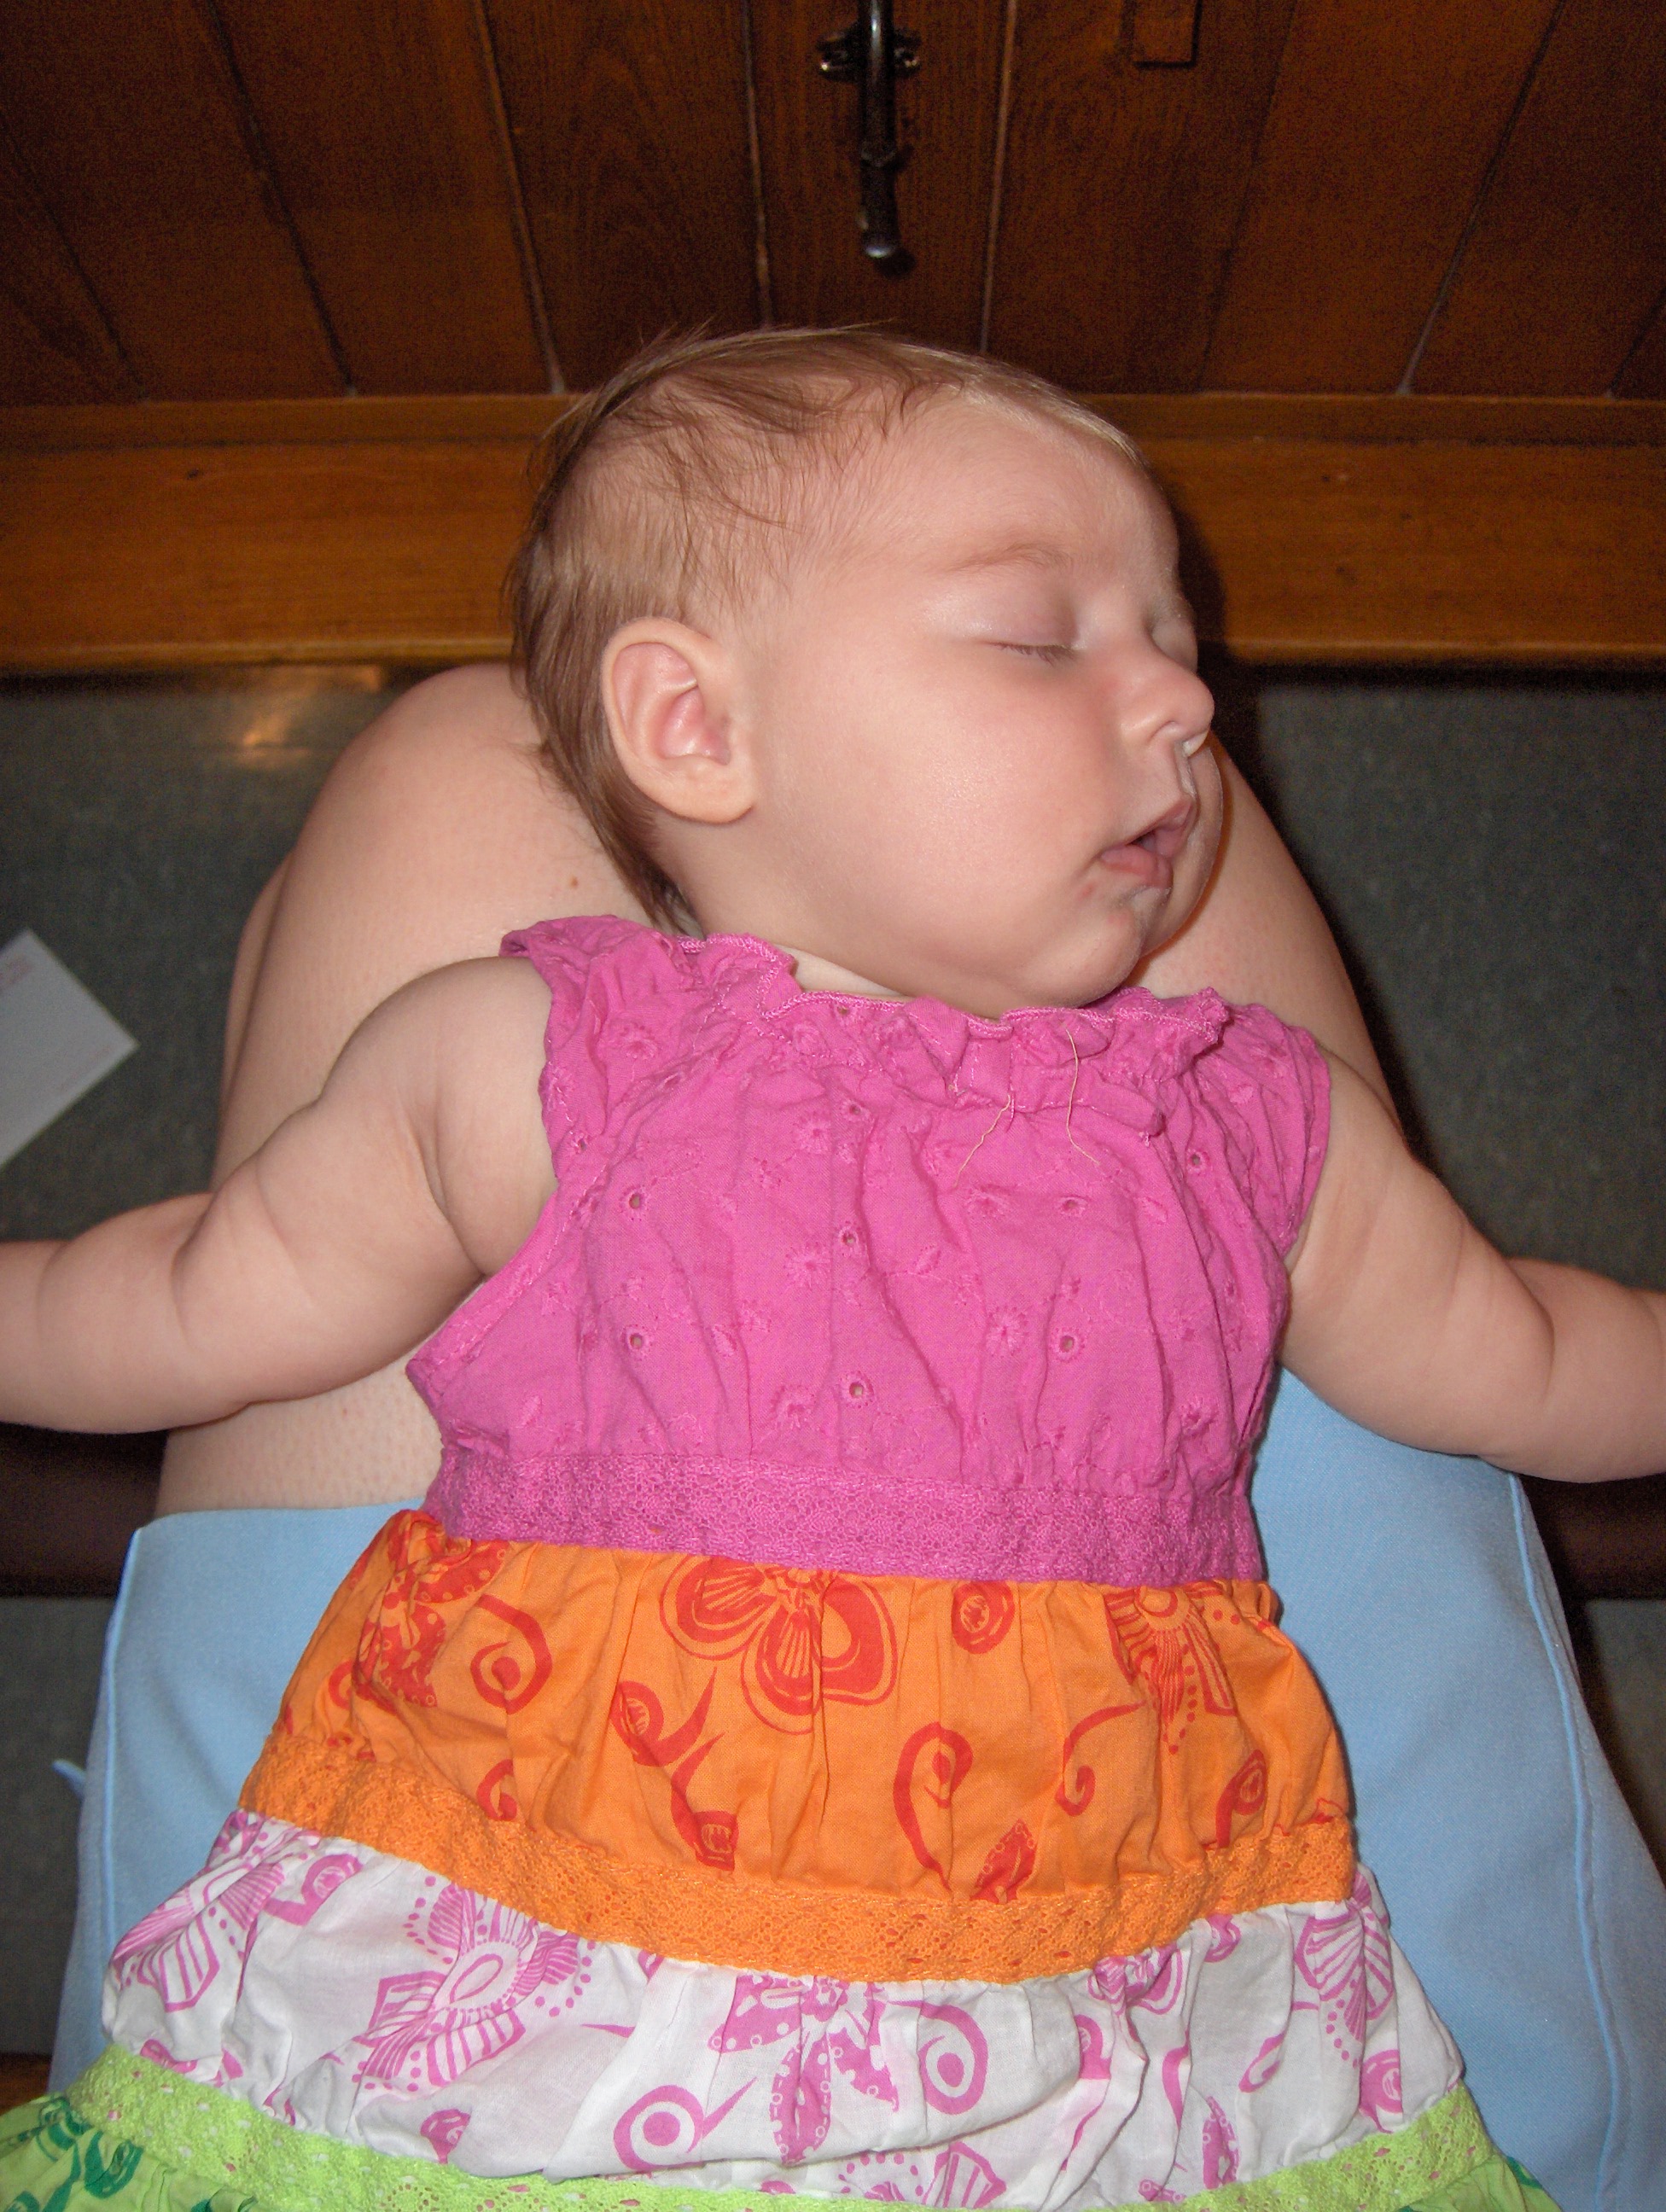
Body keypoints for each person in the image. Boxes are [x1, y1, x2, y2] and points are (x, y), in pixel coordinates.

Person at [6, 331, 1663, 2210]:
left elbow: (1527, 1355)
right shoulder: (531, 1061)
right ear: (693, 729)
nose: (1190, 704)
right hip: (543, 2007)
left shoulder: (1239, 1114)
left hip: (1101, 2048)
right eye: (1040, 639)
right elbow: (190, 1302)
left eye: (1173, 638)